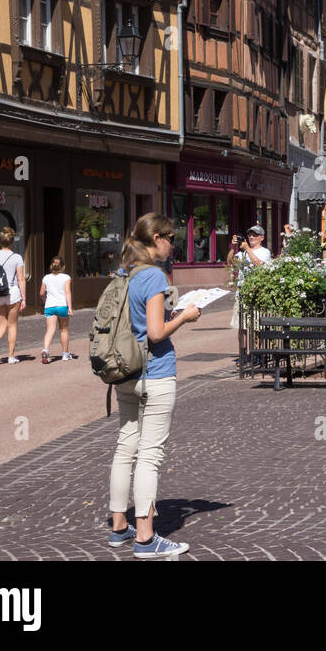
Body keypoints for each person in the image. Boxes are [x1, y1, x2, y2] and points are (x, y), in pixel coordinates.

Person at [108, 213, 201, 560]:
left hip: (125, 372)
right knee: (149, 456)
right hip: (155, 372)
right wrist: (185, 317)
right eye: (171, 238)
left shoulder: (124, 273)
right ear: (156, 239)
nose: (173, 244)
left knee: (124, 448)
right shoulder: (153, 276)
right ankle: (146, 538)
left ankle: (119, 527)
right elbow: (156, 332)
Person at [0, 226, 26, 365]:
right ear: (12, 241)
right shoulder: (17, 257)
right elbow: (21, 279)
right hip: (12, 293)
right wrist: (24, 298)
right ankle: (10, 356)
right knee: (12, 325)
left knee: (1, 325)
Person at [40, 256, 73, 363]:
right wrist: (70, 307)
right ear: (63, 267)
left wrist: (45, 301)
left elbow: (41, 293)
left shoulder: (46, 278)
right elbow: (67, 292)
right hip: (62, 306)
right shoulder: (66, 277)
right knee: (63, 330)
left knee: (50, 330)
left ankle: (45, 350)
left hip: (49, 306)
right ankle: (65, 354)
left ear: (51, 266)